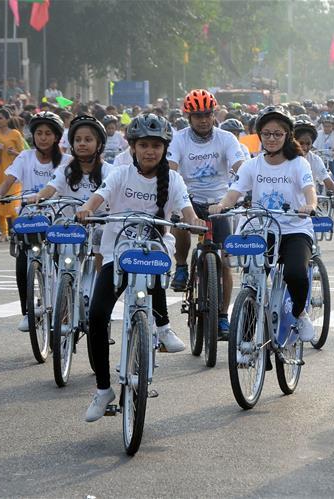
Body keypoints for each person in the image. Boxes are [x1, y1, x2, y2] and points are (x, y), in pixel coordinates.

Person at [77, 114, 199, 422]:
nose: (150, 151)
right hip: (116, 253)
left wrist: (194, 221)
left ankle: (163, 326)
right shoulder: (119, 174)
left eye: (156, 146)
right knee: (97, 317)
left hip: (153, 252)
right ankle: (104, 389)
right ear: (132, 147)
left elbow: (186, 209)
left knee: (154, 263)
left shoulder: (173, 179)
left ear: (164, 148)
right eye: (144, 145)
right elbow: (98, 197)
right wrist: (87, 209)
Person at [209, 106, 318, 342]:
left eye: (277, 134)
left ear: (287, 135)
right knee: (252, 280)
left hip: (294, 230)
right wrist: (222, 205)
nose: (271, 138)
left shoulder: (299, 164)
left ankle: (300, 313)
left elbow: (310, 191)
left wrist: (309, 205)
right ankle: (248, 341)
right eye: (266, 133)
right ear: (260, 135)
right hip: (261, 231)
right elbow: (234, 192)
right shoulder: (252, 165)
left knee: (296, 274)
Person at [167, 89, 245, 335]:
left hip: (220, 201)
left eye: (207, 114)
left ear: (214, 114)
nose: (203, 119)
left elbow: (240, 166)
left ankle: (223, 315)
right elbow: (171, 169)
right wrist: (175, 197)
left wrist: (246, 187)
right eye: (197, 115)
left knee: (224, 263)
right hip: (189, 197)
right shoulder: (179, 139)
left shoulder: (226, 139)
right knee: (178, 220)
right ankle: (180, 266)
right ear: (188, 117)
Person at [0, 111, 71, 331]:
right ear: (32, 136)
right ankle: (27, 312)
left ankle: (64, 312)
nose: (43, 137)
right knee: (23, 260)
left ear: (56, 137)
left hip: (58, 216)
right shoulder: (24, 157)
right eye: (38, 133)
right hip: (31, 216)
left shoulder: (66, 161)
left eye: (48, 133)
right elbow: (9, 181)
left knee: (63, 263)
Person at [0, 107, 26, 242]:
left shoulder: (15, 134)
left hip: (12, 173)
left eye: (1, 118)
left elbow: (24, 155)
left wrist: (13, 152)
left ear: (8, 120)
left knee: (13, 203)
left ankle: (17, 232)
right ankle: (4, 233)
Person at [293, 119, 334, 198]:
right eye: (301, 143)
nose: (304, 147)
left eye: (308, 144)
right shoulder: (283, 158)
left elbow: (328, 181)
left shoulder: (315, 159)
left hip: (308, 204)